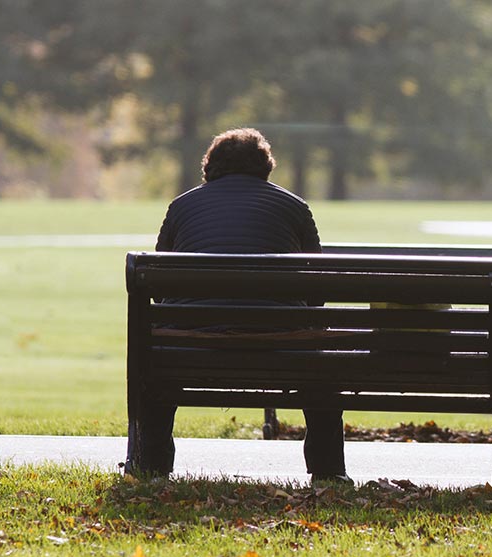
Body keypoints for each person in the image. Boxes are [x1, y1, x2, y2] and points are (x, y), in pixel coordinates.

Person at [130, 127, 349, 484]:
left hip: (192, 344)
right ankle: (328, 472)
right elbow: (316, 293)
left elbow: (159, 286)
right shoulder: (294, 207)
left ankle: (151, 466)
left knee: (156, 361)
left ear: (210, 166)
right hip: (282, 346)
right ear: (265, 167)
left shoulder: (182, 206)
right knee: (320, 365)